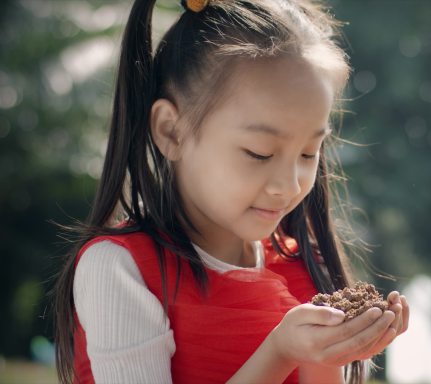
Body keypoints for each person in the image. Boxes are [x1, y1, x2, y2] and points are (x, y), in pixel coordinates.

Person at [52, 0, 409, 383]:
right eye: (260, 153)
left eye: (309, 153)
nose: (289, 186)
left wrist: (332, 350)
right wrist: (279, 352)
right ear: (172, 131)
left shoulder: (304, 265)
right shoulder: (122, 269)